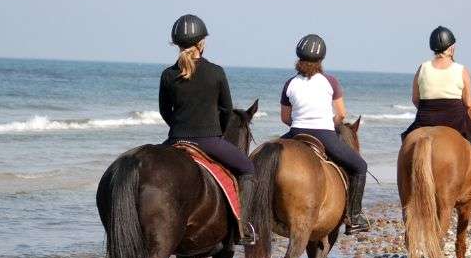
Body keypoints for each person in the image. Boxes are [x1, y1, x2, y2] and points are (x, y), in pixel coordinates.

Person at [159, 14, 257, 245]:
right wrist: (218, 134)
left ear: (176, 45)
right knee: (248, 168)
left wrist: (179, 129)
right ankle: (242, 229)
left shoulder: (168, 75)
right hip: (208, 140)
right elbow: (226, 110)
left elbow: (165, 111)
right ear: (202, 43)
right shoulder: (216, 72)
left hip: (175, 141)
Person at [279, 34, 370, 234]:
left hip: (295, 133)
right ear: (321, 60)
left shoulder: (290, 83)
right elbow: (342, 114)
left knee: (261, 157)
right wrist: (332, 124)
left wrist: (299, 124)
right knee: (360, 166)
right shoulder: (330, 81)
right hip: (324, 134)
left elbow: (285, 118)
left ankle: (249, 214)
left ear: (299, 59)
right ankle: (354, 216)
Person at [402, 26, 471, 198]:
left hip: (425, 118)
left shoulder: (422, 68)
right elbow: (467, 102)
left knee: (406, 140)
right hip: (455, 119)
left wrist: (430, 111)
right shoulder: (461, 70)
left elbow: (415, 99)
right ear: (451, 48)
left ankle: (406, 178)